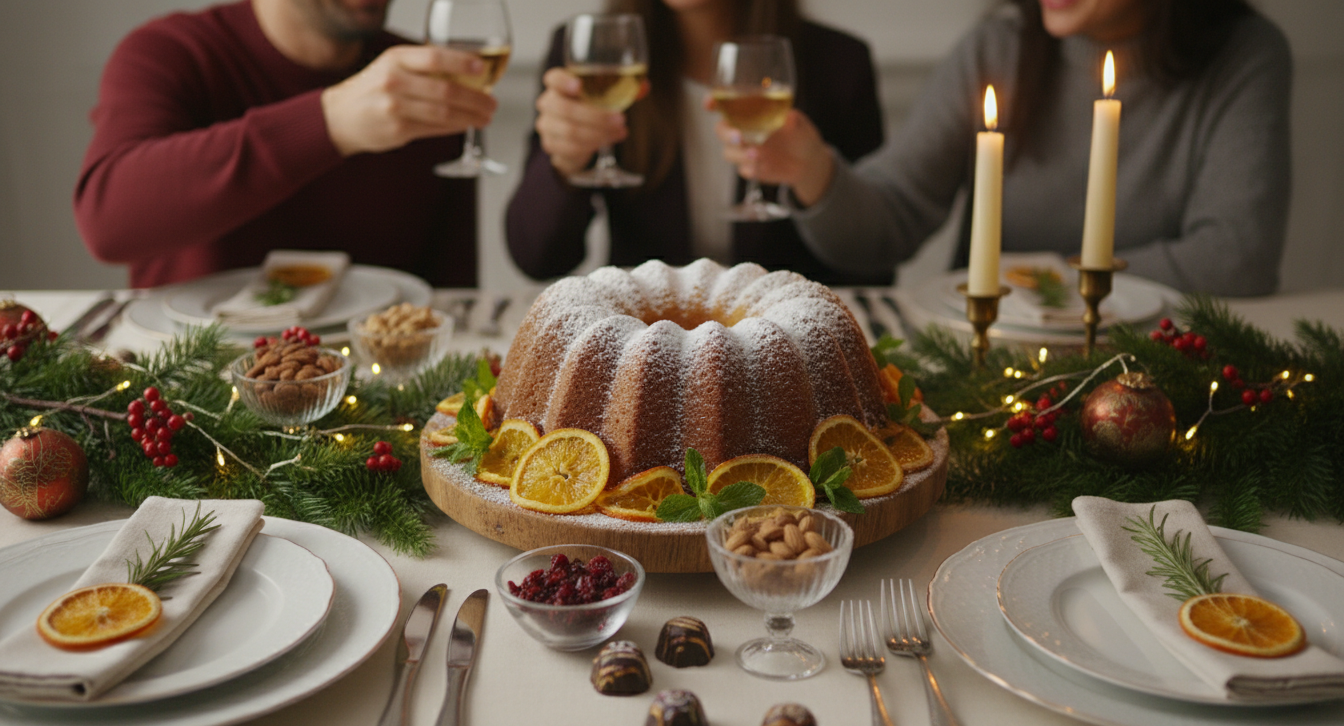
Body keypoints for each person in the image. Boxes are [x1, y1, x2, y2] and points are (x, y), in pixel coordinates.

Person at [719, 0, 1292, 296]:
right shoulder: (999, 47)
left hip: (1157, 374)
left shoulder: (1244, 57)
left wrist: (1051, 282)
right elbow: (884, 227)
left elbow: (1237, 257)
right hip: (989, 374)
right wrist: (814, 172)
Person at [73, 0, 498, 289]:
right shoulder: (171, 52)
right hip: (194, 397)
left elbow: (453, 293)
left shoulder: (423, 77)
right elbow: (107, 221)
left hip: (385, 397)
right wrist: (329, 121)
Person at [505, 0, 886, 286]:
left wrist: (819, 179)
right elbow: (536, 258)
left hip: (787, 352)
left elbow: (875, 267)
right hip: (646, 344)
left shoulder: (839, 64)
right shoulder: (591, 55)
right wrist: (564, 164)